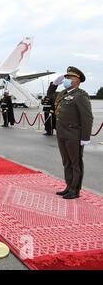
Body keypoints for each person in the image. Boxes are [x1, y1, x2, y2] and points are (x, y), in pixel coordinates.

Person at [51, 67, 93, 200]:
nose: (67, 80)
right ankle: (69, 186)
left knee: (76, 163)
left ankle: (75, 190)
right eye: (66, 78)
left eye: (70, 78)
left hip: (74, 134)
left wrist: (85, 137)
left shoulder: (81, 96)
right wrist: (53, 85)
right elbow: (50, 96)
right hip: (62, 133)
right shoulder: (63, 93)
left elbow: (87, 118)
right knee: (66, 162)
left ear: (77, 81)